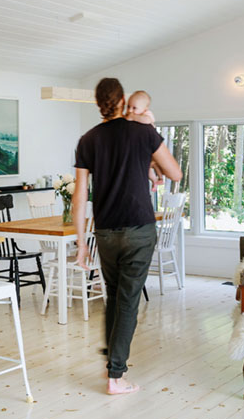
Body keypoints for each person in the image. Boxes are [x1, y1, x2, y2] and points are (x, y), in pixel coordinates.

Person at [74, 78, 182, 395]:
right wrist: (152, 145)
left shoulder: (88, 140)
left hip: (105, 231)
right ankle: (116, 375)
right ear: (123, 100)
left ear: (98, 103)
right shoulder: (143, 132)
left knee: (114, 295)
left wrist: (81, 242)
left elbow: (80, 196)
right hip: (138, 228)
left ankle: (112, 361)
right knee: (128, 301)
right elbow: (175, 173)